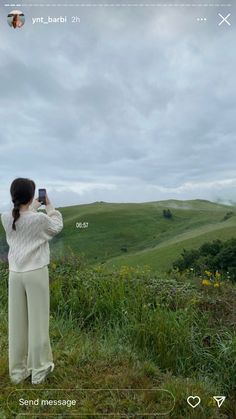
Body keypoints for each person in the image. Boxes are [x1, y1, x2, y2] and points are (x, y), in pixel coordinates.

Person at [0, 178, 63, 385]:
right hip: (35, 273)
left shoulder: (5, 217)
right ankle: (39, 370)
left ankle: (18, 372)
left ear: (13, 195)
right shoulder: (39, 220)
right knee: (38, 322)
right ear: (30, 195)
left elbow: (23, 217)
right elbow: (56, 226)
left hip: (15, 274)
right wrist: (50, 206)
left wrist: (33, 206)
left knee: (17, 323)